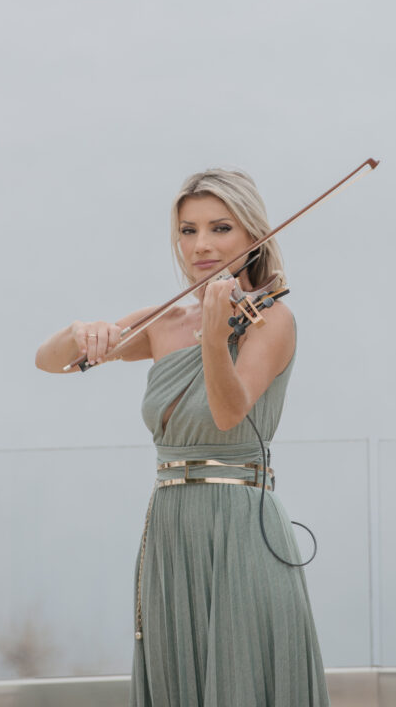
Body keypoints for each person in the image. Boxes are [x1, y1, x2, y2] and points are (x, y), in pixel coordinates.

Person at [35, 168, 330, 706]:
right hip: (172, 528)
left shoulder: (274, 319)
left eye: (220, 228)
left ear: (252, 235)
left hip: (242, 527)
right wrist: (80, 333)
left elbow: (228, 413)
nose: (201, 245)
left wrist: (216, 337)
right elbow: (49, 363)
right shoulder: (166, 321)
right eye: (187, 231)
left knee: (242, 676)